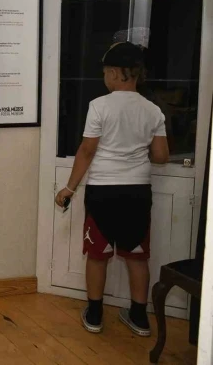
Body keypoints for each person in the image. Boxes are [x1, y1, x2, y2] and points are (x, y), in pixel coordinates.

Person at [55, 42, 169, 337]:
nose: (104, 77)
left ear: (117, 73)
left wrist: (69, 188)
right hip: (137, 191)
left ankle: (95, 314)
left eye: (106, 72)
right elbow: (161, 156)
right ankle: (139, 318)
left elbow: (87, 150)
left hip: (103, 191)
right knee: (137, 255)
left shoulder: (99, 106)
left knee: (98, 254)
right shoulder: (153, 110)